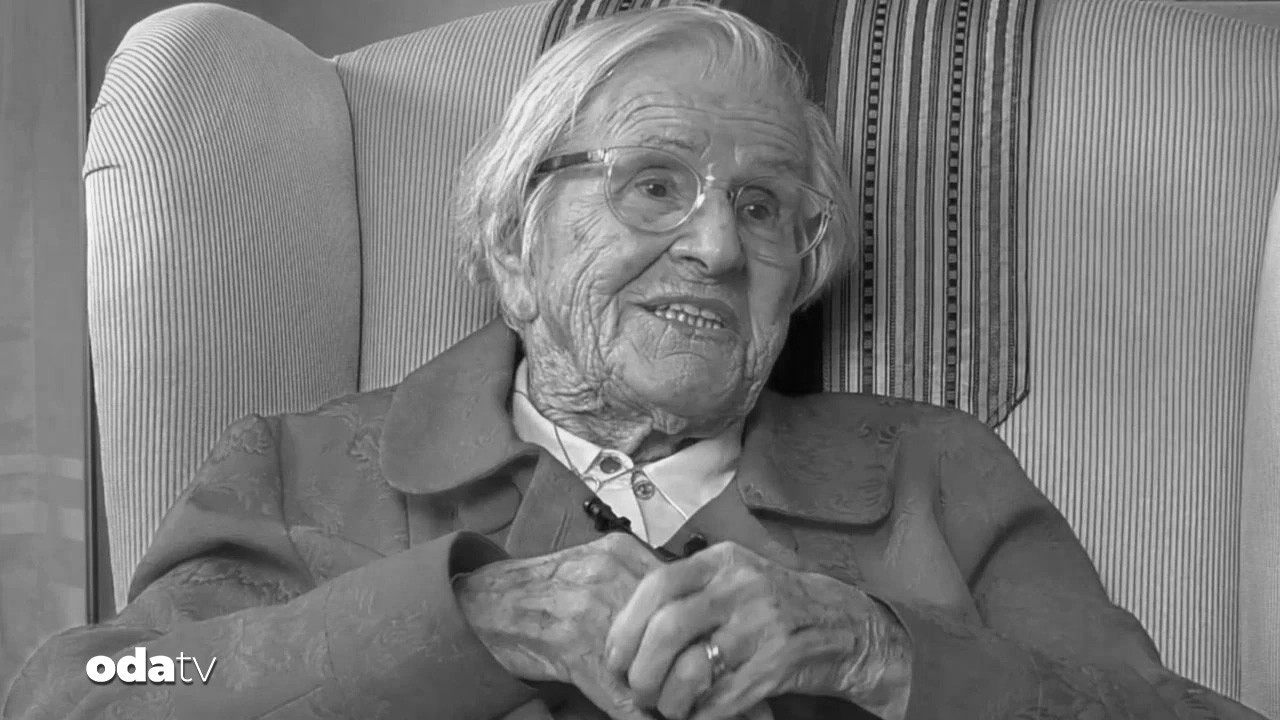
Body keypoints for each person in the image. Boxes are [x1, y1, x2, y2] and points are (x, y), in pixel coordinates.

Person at [3, 5, 1269, 720]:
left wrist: (877, 650)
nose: (716, 246)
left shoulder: (932, 473)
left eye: (764, 209)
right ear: (513, 239)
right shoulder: (306, 466)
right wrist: (470, 617)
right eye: (652, 184)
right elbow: (97, 687)